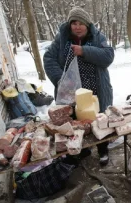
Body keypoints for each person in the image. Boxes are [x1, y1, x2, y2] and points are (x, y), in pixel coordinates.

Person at [43, 7, 114, 166]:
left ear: (87, 25)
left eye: (81, 23)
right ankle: (81, 150)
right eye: (74, 23)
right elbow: (48, 58)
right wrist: (61, 79)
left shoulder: (97, 38)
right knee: (75, 123)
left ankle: (102, 149)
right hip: (71, 92)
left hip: (95, 91)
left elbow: (108, 56)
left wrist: (84, 50)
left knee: (98, 119)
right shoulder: (62, 39)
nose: (77, 26)